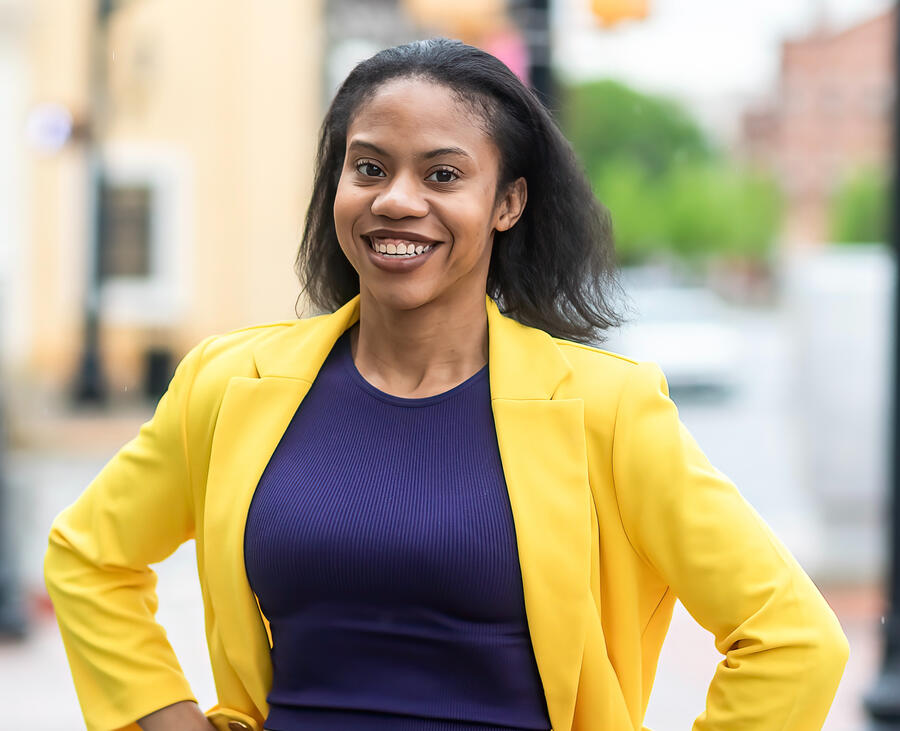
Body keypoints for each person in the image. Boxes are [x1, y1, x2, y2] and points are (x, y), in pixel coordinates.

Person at [45, 38, 849, 731]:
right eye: (369, 167)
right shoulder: (229, 385)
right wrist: (160, 711)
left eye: (442, 174)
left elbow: (791, 637)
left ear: (507, 202)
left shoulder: (609, 410)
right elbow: (89, 558)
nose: (397, 200)